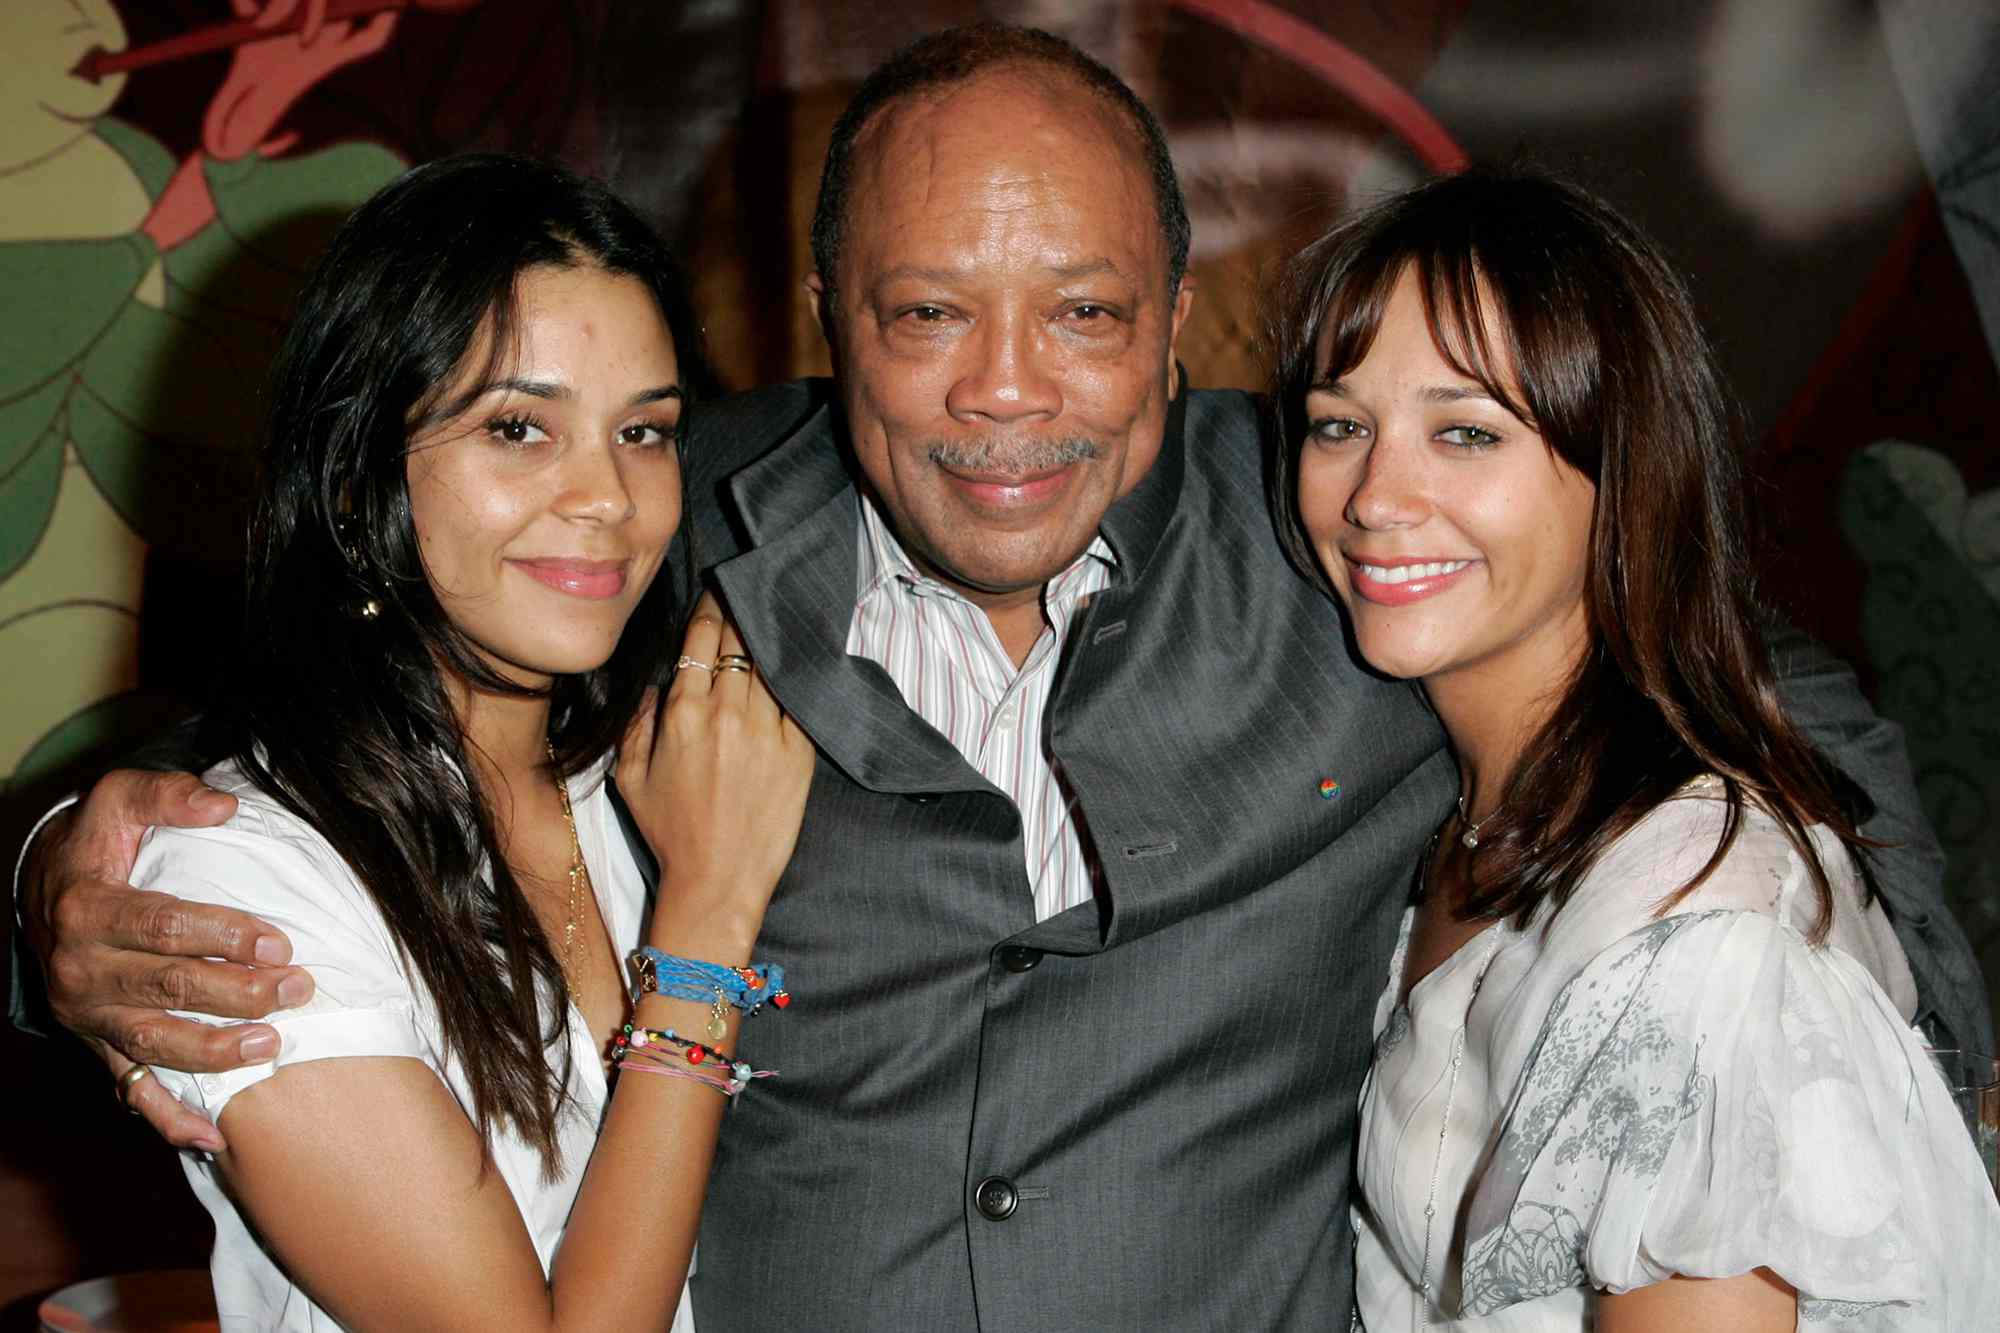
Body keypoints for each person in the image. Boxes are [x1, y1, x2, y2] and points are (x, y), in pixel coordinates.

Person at [14, 25, 1990, 1331]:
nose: (1008, 394)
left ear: (1174, 326)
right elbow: (351, 692)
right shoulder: (655, 519)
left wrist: (1922, 1037)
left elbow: (1736, 686)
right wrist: (56, 887)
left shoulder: (1345, 541)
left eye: (1085, 314)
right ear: (819, 324)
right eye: (929, 313)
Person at [1269, 167, 2000, 1329]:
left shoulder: (1695, 943)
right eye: (1338, 425)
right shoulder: (1470, 814)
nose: (1374, 494)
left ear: (1623, 468)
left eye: (1464, 431)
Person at [103, 152, 815, 1329]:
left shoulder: (661, 766)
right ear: (355, 472)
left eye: (644, 432)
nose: (607, 497)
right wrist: (703, 924)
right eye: (521, 429)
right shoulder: (245, 878)